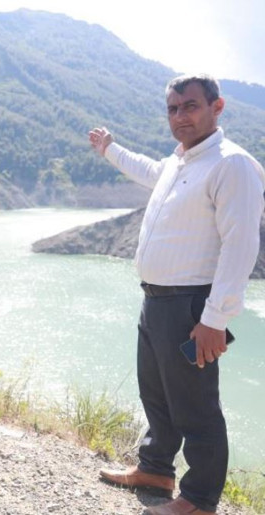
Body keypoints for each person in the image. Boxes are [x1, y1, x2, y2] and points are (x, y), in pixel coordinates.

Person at [88, 74, 265, 515]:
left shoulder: (232, 165)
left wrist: (215, 319)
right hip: (156, 300)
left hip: (191, 306)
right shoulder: (179, 162)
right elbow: (146, 169)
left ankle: (199, 500)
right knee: (157, 394)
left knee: (196, 406)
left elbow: (241, 244)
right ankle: (155, 469)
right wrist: (110, 149)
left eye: (190, 106)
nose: (180, 116)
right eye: (173, 108)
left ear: (217, 107)